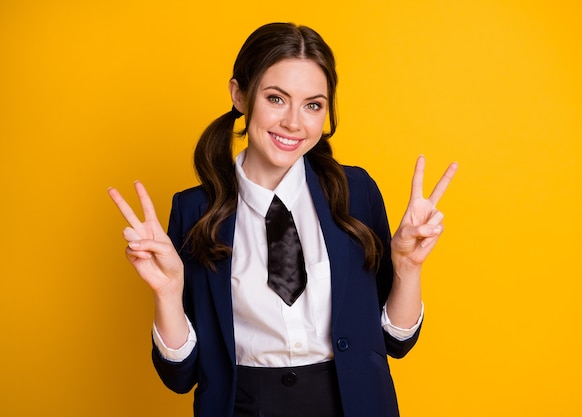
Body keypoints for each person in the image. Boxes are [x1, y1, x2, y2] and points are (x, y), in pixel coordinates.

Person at [108, 22, 457, 417]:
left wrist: (408, 269)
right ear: (240, 95)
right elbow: (179, 376)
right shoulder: (195, 212)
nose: (295, 122)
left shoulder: (355, 192)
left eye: (313, 105)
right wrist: (168, 295)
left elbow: (395, 342)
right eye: (276, 99)